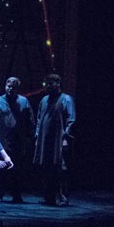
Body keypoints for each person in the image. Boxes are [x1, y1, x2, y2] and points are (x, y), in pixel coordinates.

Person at [0, 77, 34, 203]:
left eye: (13, 87)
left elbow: (30, 121)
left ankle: (16, 195)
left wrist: (30, 137)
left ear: (18, 88)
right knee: (1, 169)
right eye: (8, 86)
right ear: (5, 86)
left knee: (17, 170)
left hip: (19, 142)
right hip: (2, 142)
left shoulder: (24, 102)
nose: (10, 89)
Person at [33, 74, 75, 206]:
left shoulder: (66, 99)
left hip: (59, 140)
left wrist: (65, 137)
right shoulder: (44, 100)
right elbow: (39, 119)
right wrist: (38, 136)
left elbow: (71, 120)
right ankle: (48, 197)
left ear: (58, 83)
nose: (48, 87)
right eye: (47, 84)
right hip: (45, 140)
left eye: (51, 84)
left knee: (61, 169)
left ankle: (63, 197)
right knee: (46, 168)